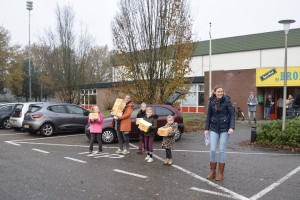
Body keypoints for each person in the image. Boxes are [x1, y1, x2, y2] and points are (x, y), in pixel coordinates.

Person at [204, 85, 235, 181]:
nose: (220, 93)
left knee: (222, 149)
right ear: (214, 92)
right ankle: (212, 171)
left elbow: (232, 114)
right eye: (218, 91)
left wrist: (231, 127)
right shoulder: (211, 101)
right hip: (214, 128)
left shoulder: (227, 100)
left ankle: (220, 173)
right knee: (212, 150)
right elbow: (209, 115)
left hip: (225, 129)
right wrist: (206, 129)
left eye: (222, 91)